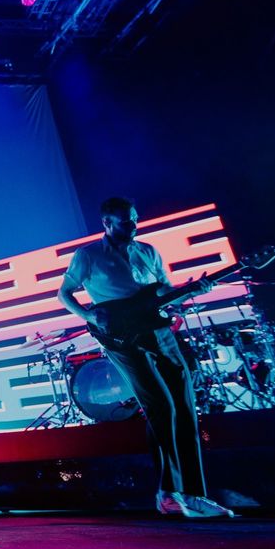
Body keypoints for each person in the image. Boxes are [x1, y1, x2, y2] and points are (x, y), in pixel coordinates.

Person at [57, 196, 234, 518]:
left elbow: (164, 290)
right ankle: (169, 494)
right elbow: (64, 293)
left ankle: (192, 495)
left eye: (135, 219)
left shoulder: (148, 251)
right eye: (126, 221)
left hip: (158, 329)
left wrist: (194, 290)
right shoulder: (88, 256)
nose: (133, 226)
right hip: (120, 336)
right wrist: (91, 317)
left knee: (184, 407)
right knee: (159, 405)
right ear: (107, 224)